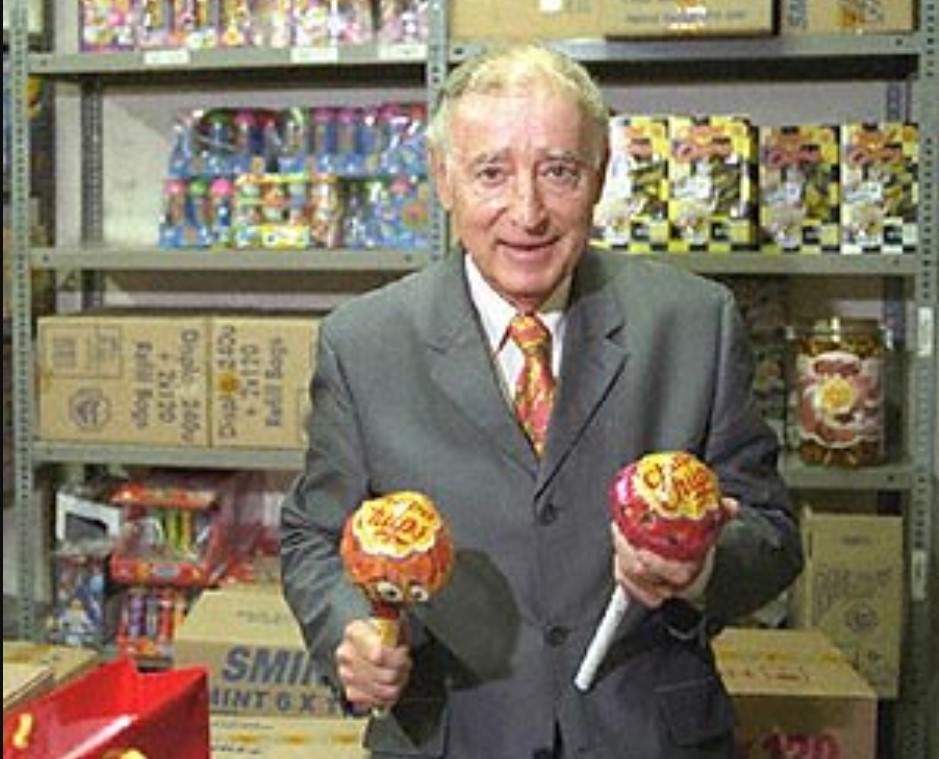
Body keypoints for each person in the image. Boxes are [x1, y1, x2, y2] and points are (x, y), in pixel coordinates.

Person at [281, 44, 803, 758]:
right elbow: (313, 535)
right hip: (451, 737)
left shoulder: (692, 323)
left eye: (558, 171)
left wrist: (702, 567)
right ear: (443, 179)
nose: (526, 212)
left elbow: (772, 533)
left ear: (600, 175)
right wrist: (351, 631)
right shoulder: (363, 342)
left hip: (646, 737)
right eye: (491, 173)